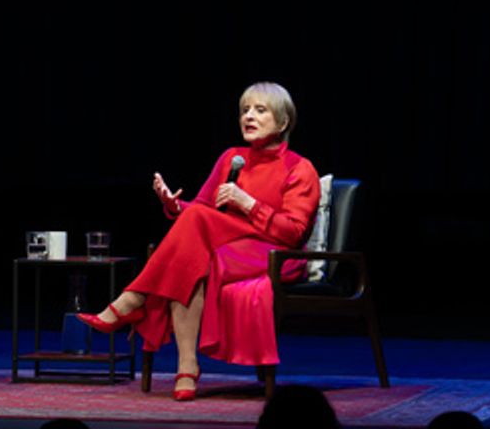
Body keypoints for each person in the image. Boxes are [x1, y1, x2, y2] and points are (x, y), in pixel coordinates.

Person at [78, 82, 319, 400]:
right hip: (227, 248)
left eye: (260, 110)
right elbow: (202, 211)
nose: (249, 116)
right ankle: (185, 367)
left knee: (194, 255)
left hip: (275, 255)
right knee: (193, 255)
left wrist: (248, 203)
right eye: (245, 110)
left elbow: (293, 233)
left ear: (284, 121)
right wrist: (174, 205)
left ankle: (133, 301)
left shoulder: (299, 169)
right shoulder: (232, 158)